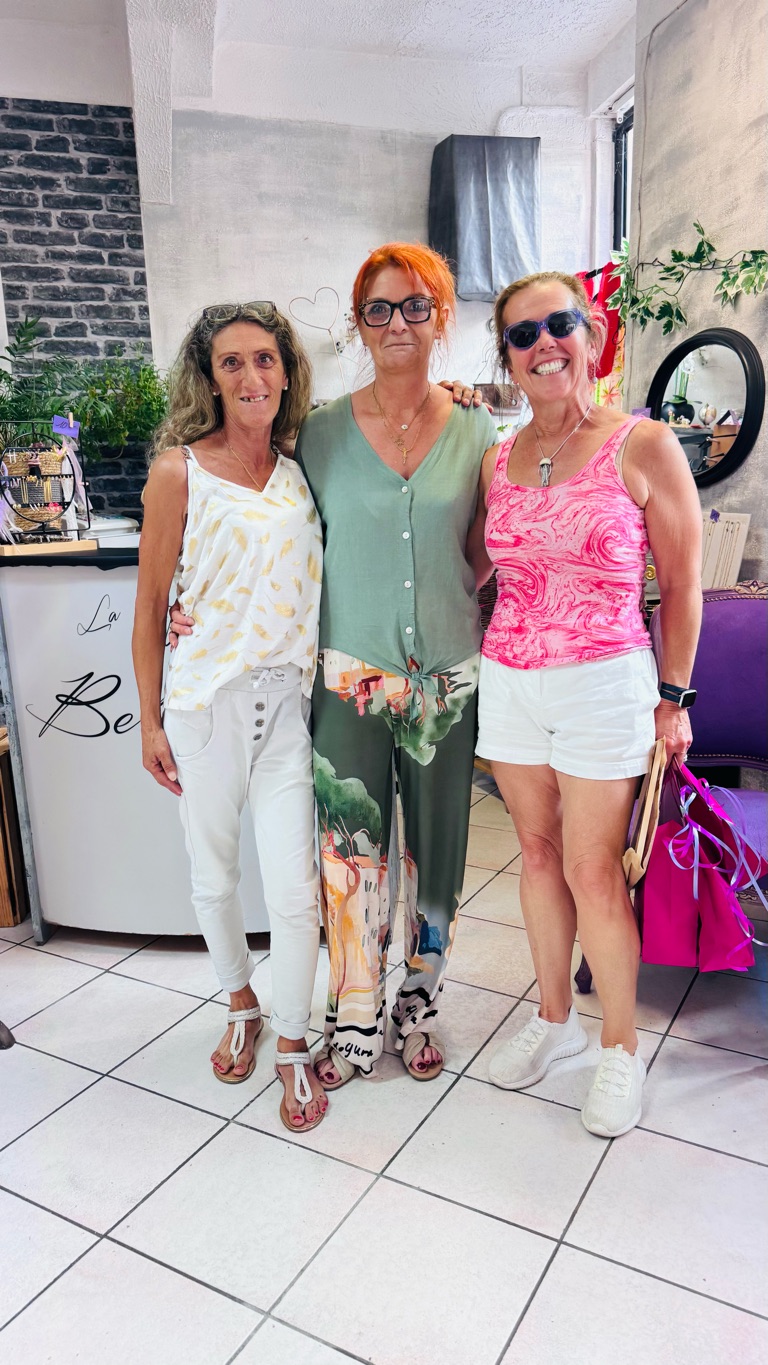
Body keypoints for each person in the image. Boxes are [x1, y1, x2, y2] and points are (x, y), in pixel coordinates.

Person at [473, 270, 702, 1138]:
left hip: (606, 681)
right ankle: (554, 1019)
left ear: (592, 333)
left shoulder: (642, 445)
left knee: (593, 869)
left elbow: (683, 585)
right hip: (511, 679)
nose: (543, 344)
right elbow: (476, 568)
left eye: (557, 324)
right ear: (508, 356)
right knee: (535, 854)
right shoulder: (497, 456)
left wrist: (673, 698)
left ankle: (619, 1047)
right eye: (521, 335)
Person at [294, 243, 498, 1088]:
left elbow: (488, 546)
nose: (397, 323)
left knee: (437, 855)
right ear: (359, 323)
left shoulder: (479, 429)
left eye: (416, 305)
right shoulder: (319, 434)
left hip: (447, 678)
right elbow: (285, 542)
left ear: (440, 315)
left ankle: (417, 1006)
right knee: (351, 855)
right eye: (378, 308)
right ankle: (352, 1019)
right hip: (349, 676)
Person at [132, 301, 329, 1132]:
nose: (251, 376)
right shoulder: (178, 471)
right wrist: (150, 721)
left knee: (295, 892)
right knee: (214, 877)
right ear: (209, 379)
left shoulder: (302, 466)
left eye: (264, 359)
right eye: (231, 362)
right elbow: (150, 605)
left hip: (287, 708)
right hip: (205, 707)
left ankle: (293, 1040)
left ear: (286, 370)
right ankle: (241, 1002)